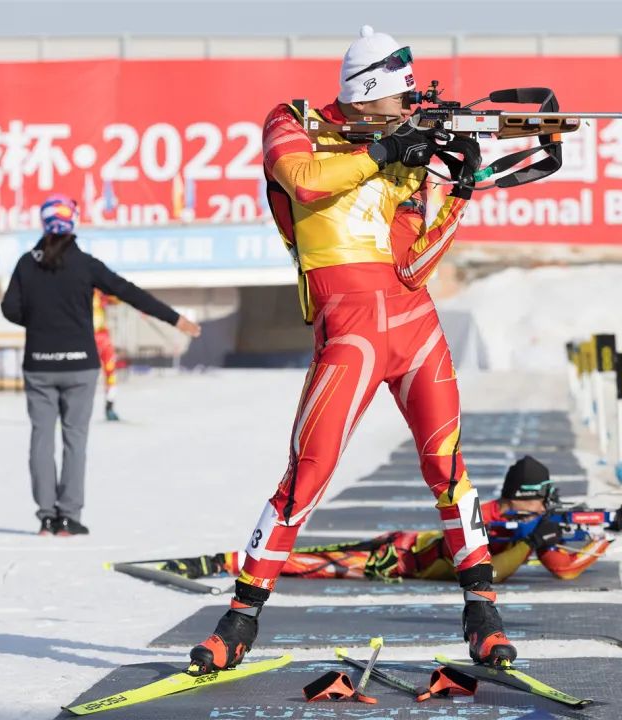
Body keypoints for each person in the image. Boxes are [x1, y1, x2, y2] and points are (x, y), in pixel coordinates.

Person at [188, 25, 503, 675]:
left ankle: (483, 614)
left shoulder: (405, 151)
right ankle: (239, 620)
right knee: (307, 474)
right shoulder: (292, 121)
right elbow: (304, 182)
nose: (410, 108)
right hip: (349, 329)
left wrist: (459, 193)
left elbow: (416, 266)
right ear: (368, 94)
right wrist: (384, 149)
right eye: (401, 98)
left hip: (415, 323)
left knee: (447, 467)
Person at [0, 195, 201, 536]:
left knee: (41, 439)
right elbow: (129, 292)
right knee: (75, 440)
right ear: (72, 223)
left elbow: (10, 309)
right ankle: (69, 518)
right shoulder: (85, 264)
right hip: (80, 366)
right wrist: (175, 319)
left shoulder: (26, 264)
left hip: (40, 364)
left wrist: (39, 322)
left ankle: (46, 518)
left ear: (44, 223)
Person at [160, 456, 622, 583]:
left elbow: (560, 559)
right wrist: (540, 542)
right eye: (545, 500)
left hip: (412, 546)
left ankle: (233, 562)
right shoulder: (490, 517)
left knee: (314, 558)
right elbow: (503, 571)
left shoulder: (523, 520)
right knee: (313, 562)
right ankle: (227, 563)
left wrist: (604, 529)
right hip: (400, 558)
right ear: (528, 499)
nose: (551, 505)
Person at [92, 290, 121, 421]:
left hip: (102, 337)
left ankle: (110, 406)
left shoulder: (100, 293)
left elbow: (118, 298)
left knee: (111, 371)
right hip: (82, 337)